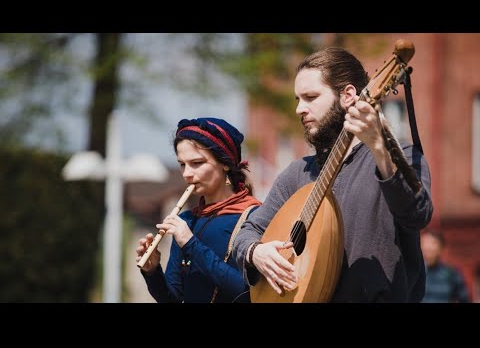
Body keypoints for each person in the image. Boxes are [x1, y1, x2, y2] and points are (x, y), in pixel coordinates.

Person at [232, 46, 434, 302]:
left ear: (349, 95)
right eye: (298, 100)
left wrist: (381, 150)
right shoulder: (297, 174)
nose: (299, 109)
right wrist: (255, 252)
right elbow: (247, 232)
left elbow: (418, 214)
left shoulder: (400, 155)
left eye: (310, 97)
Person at [136, 117, 262, 303]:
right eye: (182, 164)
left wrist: (190, 243)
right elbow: (173, 299)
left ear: (225, 163)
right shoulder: (186, 221)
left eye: (197, 163)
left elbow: (248, 294)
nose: (187, 173)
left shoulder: (255, 216)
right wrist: (152, 272)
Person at [420, 229, 470, 303]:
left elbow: (463, 298)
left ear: (441, 248)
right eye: (424, 244)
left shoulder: (451, 274)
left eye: (433, 243)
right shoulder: (413, 273)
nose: (428, 248)